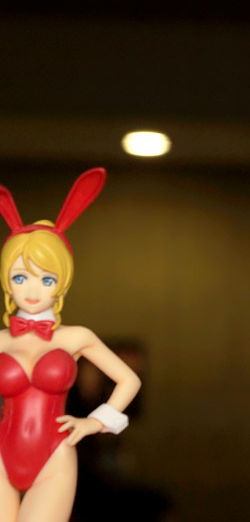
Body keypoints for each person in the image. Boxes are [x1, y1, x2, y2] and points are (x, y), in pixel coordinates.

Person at [0, 168, 142, 522]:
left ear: (61, 283)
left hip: (55, 457)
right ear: (6, 280)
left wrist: (95, 422)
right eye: (20, 277)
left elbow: (129, 380)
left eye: (46, 279)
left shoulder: (76, 337)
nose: (33, 290)